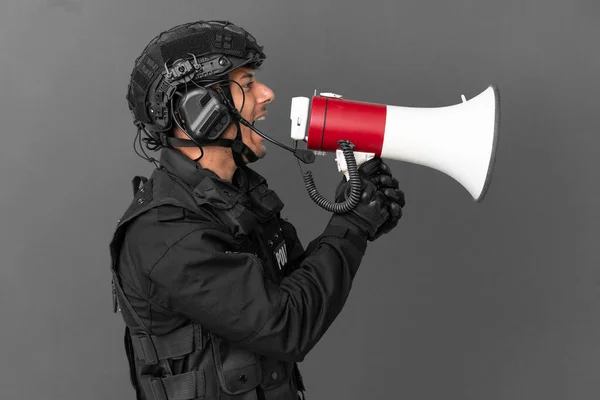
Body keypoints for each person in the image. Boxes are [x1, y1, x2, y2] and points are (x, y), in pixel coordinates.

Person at [109, 20, 406, 400]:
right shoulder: (167, 234)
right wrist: (351, 226)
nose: (267, 94)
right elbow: (284, 325)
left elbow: (294, 288)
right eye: (247, 84)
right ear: (199, 110)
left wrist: (360, 215)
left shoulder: (234, 196)